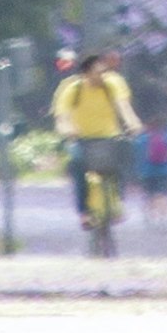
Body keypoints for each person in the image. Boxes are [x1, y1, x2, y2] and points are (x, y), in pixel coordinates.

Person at [57, 38, 136, 246]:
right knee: (77, 164)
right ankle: (84, 212)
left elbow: (124, 107)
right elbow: (62, 116)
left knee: (122, 159)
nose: (102, 75)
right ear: (85, 72)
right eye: (97, 71)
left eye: (103, 70)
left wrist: (133, 123)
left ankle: (117, 203)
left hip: (109, 137)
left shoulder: (113, 84)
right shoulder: (71, 89)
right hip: (82, 139)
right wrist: (67, 129)